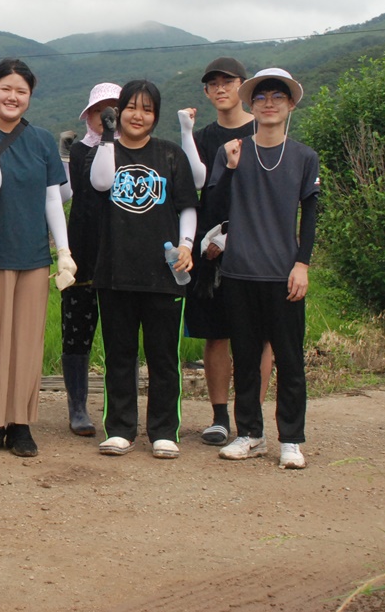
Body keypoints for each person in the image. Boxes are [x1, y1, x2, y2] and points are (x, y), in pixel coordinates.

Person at [0, 58, 76, 457]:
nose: (13, 97)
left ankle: (21, 423)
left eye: (21, 91)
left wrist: (62, 251)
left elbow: (51, 199)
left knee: (27, 341)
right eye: (6, 88)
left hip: (32, 255)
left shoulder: (42, 140)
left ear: (30, 96)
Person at [209, 68, 320, 469]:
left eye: (278, 96)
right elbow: (216, 207)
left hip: (283, 273)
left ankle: (290, 438)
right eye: (261, 97)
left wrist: (302, 263)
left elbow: (310, 213)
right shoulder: (234, 149)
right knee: (246, 356)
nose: (269, 103)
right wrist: (231, 168)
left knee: (290, 358)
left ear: (290, 105)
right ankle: (250, 434)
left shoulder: (305, 157)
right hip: (239, 272)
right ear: (250, 104)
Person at [87, 80, 198, 459]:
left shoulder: (169, 155)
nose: (138, 115)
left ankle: (164, 431)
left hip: (164, 271)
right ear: (119, 111)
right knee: (119, 354)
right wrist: (107, 135)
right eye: (131, 107)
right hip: (115, 270)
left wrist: (186, 245)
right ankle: (119, 429)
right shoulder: (103, 152)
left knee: (163, 355)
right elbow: (101, 183)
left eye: (147, 109)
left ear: (156, 115)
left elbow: (187, 205)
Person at [179, 57, 275, 446]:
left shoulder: (262, 130)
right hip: (210, 246)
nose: (220, 89)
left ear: (242, 86)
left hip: (257, 244)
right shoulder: (200, 137)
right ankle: (220, 417)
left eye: (228, 82)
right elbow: (195, 187)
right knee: (216, 334)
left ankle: (252, 417)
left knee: (260, 335)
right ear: (206, 92)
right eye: (212, 84)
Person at [59, 82, 120, 436]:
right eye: (101, 111)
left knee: (119, 334)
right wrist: (66, 158)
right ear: (89, 115)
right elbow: (70, 193)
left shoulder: (134, 150)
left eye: (113, 111)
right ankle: (77, 406)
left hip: (119, 254)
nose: (107, 118)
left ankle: (118, 406)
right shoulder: (79, 151)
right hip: (82, 251)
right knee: (77, 333)